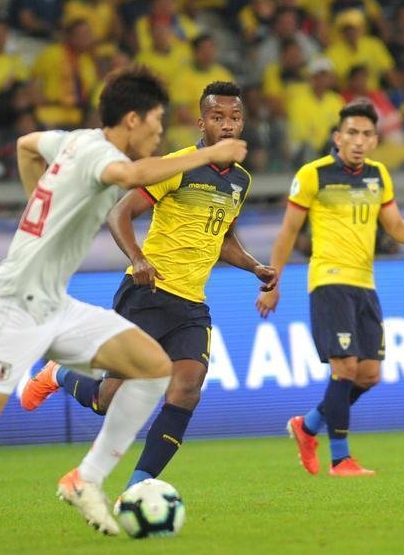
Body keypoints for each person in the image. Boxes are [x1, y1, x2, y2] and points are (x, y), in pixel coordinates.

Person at [0, 67, 249, 553]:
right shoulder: (103, 155)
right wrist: (210, 152)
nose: (161, 135)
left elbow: (25, 145)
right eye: (157, 124)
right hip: (14, 303)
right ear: (133, 119)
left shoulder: (73, 140)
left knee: (152, 369)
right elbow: (131, 177)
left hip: (56, 302)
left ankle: (86, 478)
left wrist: (37, 206)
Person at [21, 80, 276, 487]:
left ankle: (138, 486)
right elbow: (119, 214)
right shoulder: (177, 166)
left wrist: (254, 267)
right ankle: (59, 374)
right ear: (202, 122)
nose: (227, 125)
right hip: (149, 294)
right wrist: (138, 259)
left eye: (234, 117)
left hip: (191, 305)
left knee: (187, 389)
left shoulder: (241, 180)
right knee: (109, 399)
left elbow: (222, 237)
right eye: (217, 117)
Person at [256, 101, 404, 476]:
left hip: (364, 284)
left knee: (369, 374)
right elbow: (289, 232)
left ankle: (307, 426)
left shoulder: (378, 176)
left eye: (366, 134)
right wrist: (272, 284)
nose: (358, 141)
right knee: (345, 367)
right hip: (329, 281)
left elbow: (393, 225)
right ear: (337, 137)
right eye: (351, 133)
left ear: (375, 140)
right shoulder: (314, 175)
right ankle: (341, 459)